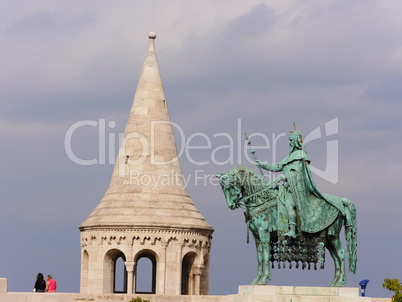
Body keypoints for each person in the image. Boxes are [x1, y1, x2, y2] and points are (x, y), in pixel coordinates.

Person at [256, 125, 343, 237]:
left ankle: (292, 230)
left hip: (297, 190)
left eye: (291, 140)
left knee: (289, 205)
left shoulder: (301, 156)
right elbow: (277, 166)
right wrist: (261, 164)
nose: (290, 143)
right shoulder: (289, 157)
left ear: (297, 141)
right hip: (286, 188)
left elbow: (298, 175)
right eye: (289, 140)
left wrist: (284, 178)